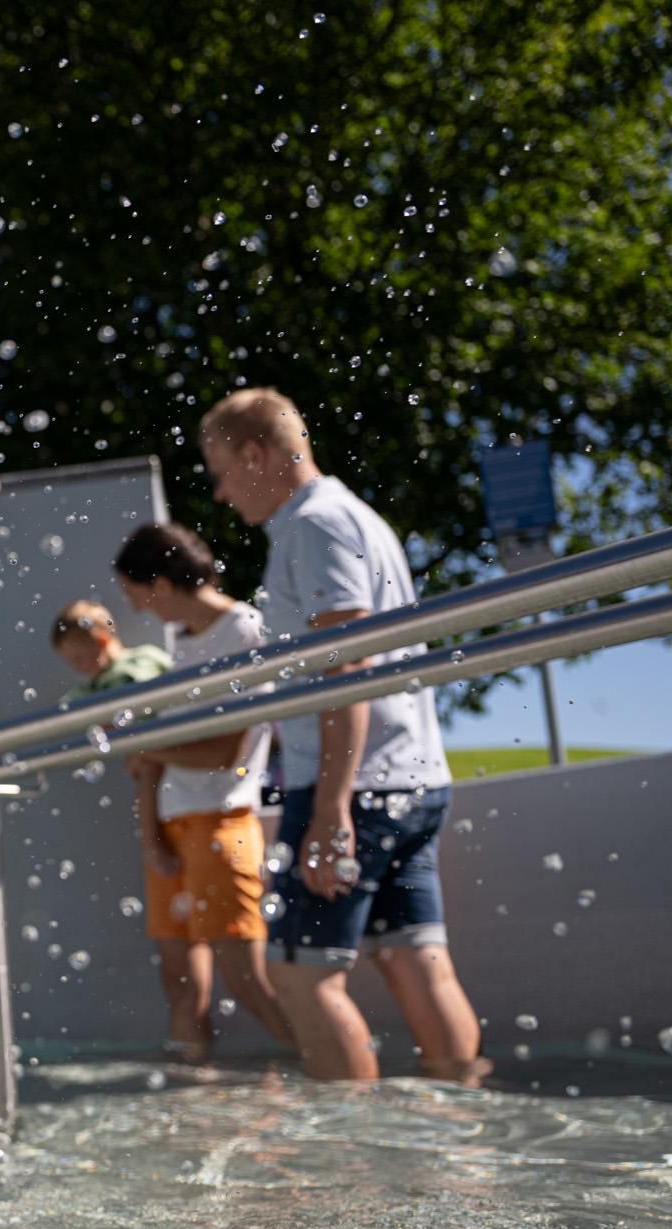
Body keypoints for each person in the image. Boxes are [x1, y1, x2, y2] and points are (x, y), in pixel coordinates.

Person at [198, 386, 482, 1083]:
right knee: (415, 959)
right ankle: (467, 1131)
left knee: (301, 978)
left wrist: (329, 808)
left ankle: (351, 1180)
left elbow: (346, 665)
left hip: (351, 785)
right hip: (410, 776)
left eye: (223, 473)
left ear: (257, 453)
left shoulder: (314, 525)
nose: (222, 494)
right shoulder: (358, 518)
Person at [112, 523, 294, 1060]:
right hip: (172, 821)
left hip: (223, 820)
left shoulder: (245, 632)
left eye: (137, 594)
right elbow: (155, 763)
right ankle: (195, 1102)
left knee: (246, 980)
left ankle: (324, 1074)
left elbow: (225, 755)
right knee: (179, 979)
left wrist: (148, 745)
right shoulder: (180, 647)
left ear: (162, 584)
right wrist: (150, 835)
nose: (140, 610)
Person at [51, 599, 172, 695]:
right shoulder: (90, 687)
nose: (75, 669)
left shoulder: (140, 661)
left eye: (78, 659)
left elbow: (138, 694)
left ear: (102, 642)